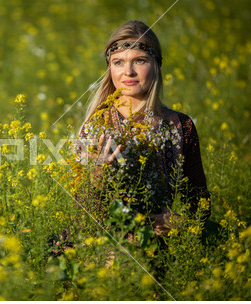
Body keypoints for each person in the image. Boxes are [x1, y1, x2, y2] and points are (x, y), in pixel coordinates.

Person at [51, 21, 210, 255]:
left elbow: (199, 204)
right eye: (118, 62)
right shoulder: (96, 127)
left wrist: (178, 223)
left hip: (161, 246)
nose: (129, 72)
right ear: (110, 70)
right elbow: (83, 213)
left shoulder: (180, 126)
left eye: (140, 61)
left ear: (155, 65)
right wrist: (97, 176)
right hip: (103, 244)